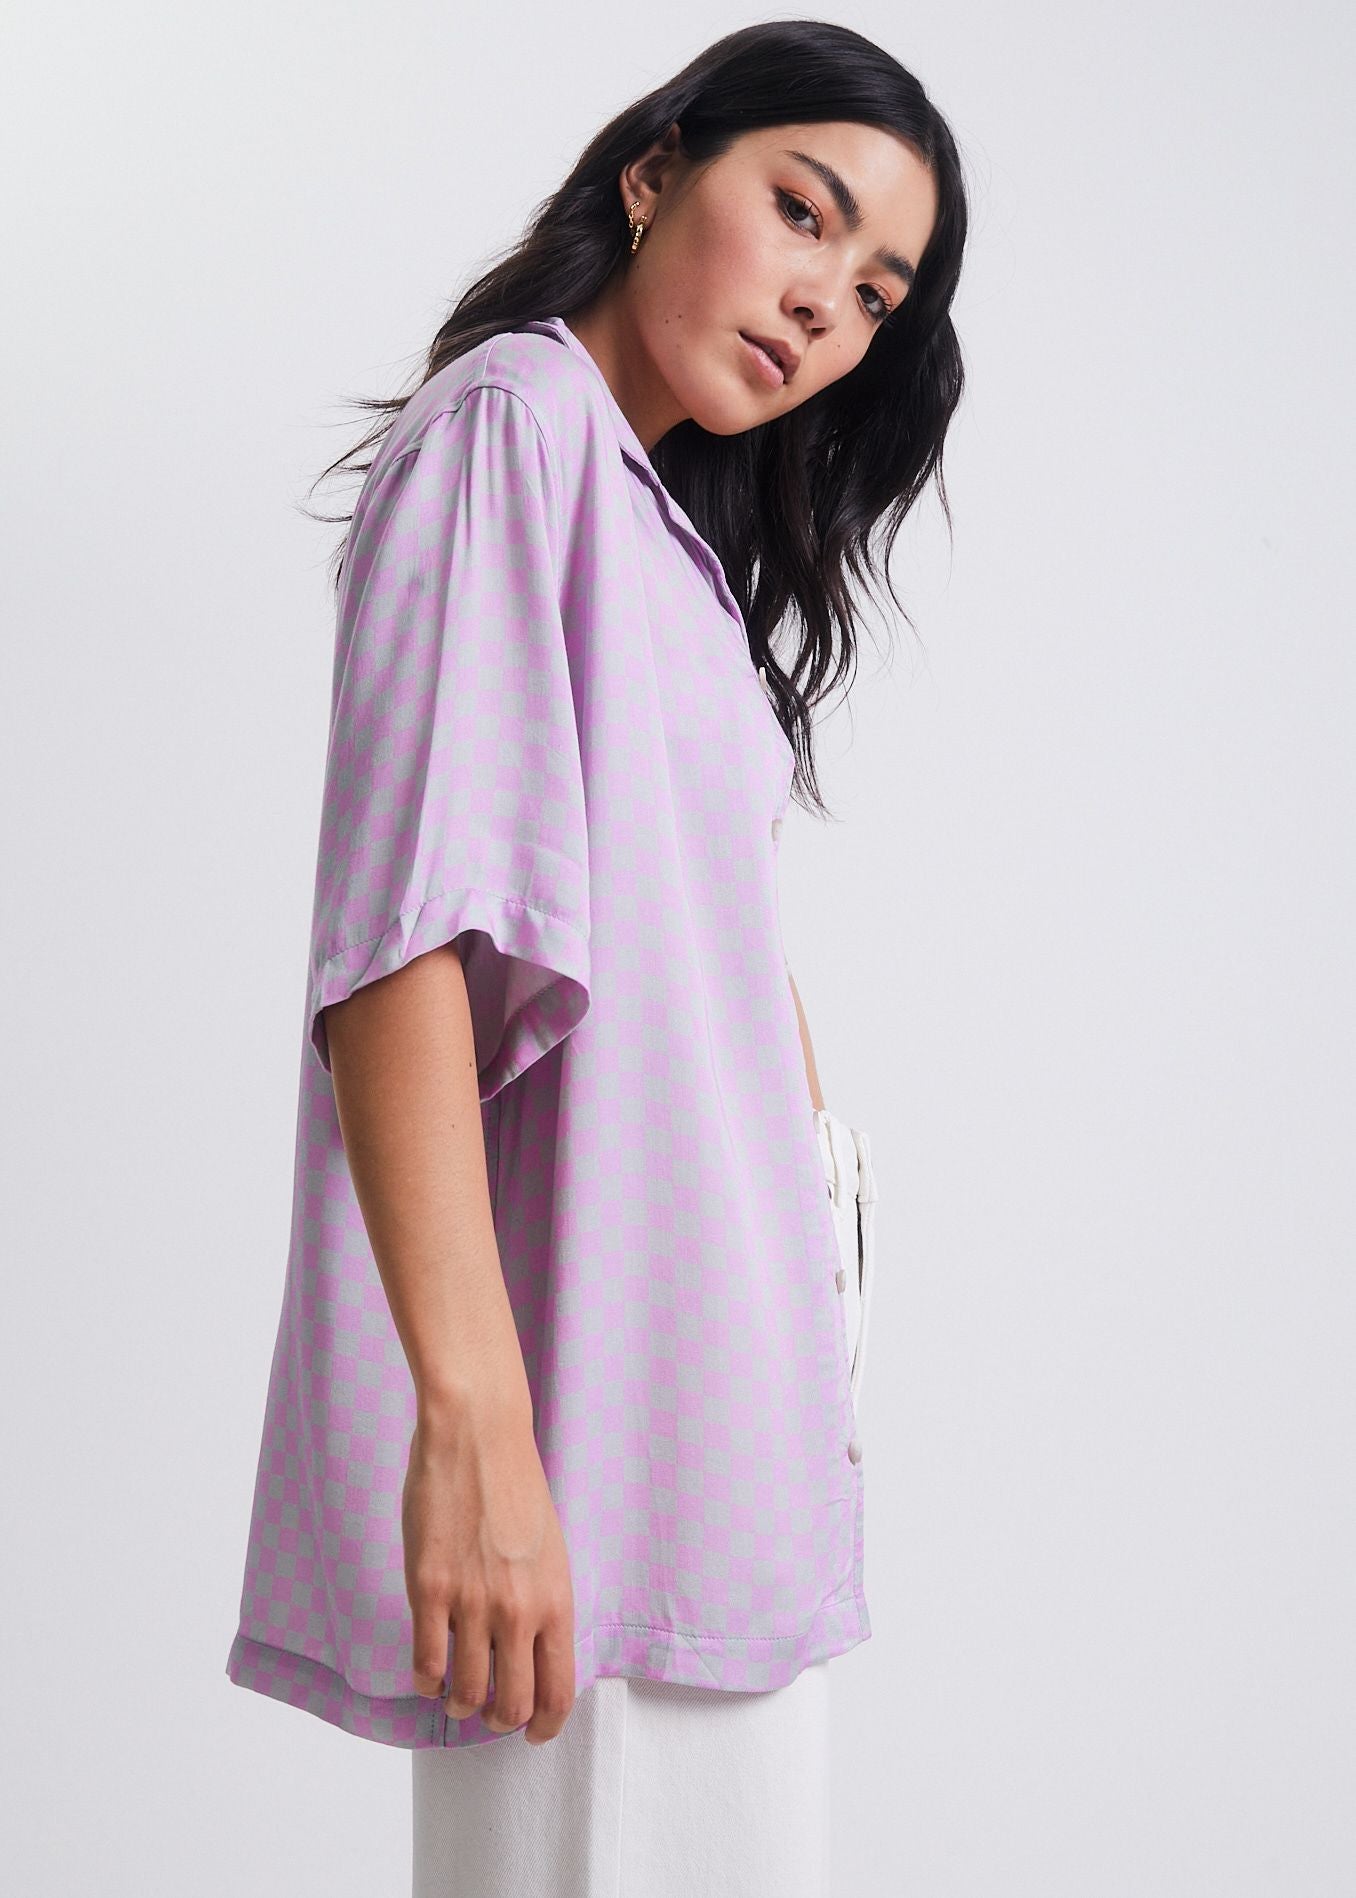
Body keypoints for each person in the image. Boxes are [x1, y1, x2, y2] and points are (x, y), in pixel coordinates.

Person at [224, 18, 968, 1895]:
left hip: (736, 1414)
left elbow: (705, 936)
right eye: (803, 212)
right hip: (602, 1421)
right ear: (653, 174)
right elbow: (409, 944)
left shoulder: (659, 530)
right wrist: (476, 1425)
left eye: (877, 292)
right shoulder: (516, 425)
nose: (826, 302)